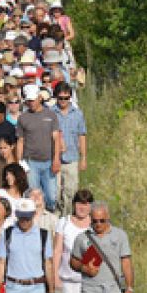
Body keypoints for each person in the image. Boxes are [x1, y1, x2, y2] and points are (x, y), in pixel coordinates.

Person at [16, 84, 62, 211]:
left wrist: (56, 159)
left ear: (40, 98)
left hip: (48, 161)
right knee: (33, 196)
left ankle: (50, 217)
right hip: (31, 162)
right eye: (28, 100)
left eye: (33, 100)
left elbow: (56, 138)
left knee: (51, 196)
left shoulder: (51, 115)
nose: (31, 103)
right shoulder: (23, 118)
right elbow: (20, 141)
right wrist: (20, 162)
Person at [54, 83, 87, 214]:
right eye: (60, 98)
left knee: (71, 191)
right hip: (54, 159)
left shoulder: (78, 114)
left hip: (72, 158)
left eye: (66, 98)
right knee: (55, 192)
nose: (63, 101)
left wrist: (83, 158)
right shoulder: (51, 113)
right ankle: (56, 218)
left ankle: (67, 217)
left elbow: (82, 136)